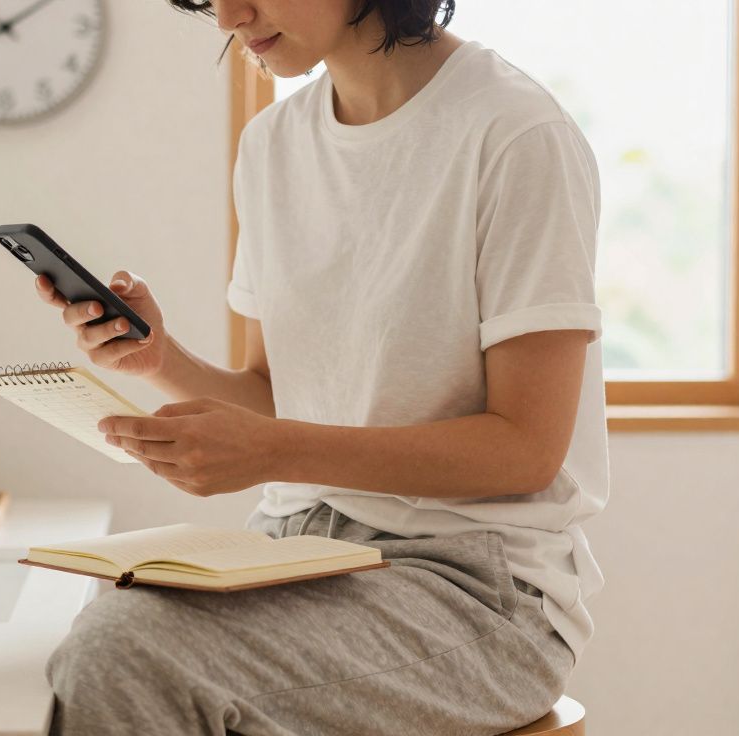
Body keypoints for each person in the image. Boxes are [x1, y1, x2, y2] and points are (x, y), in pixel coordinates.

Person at [35, 1, 607, 733]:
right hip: (299, 551)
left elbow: (526, 450)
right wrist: (159, 359)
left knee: (122, 655)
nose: (228, 18)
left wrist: (278, 453)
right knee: (93, 631)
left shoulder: (516, 133)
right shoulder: (274, 144)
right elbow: (277, 397)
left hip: (475, 588)